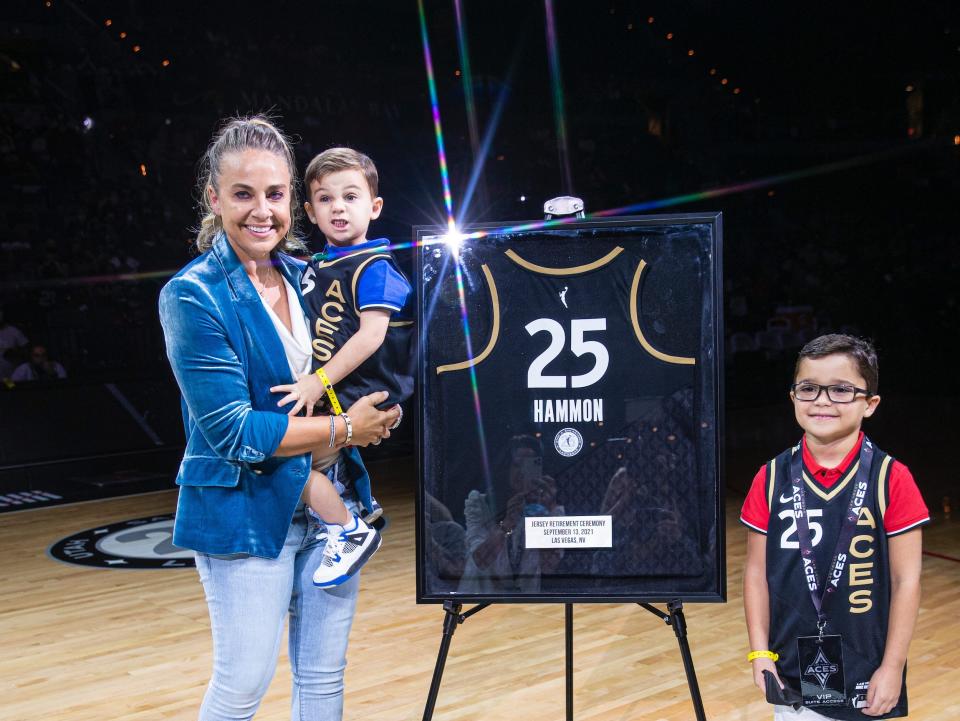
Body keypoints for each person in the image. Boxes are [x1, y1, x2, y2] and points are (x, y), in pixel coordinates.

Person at [158, 116, 399, 721]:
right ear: (214, 199)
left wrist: (382, 408)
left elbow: (360, 368)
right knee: (243, 685)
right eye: (243, 194)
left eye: (275, 193)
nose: (261, 211)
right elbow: (236, 433)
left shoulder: (309, 273)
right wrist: (346, 430)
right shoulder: (193, 295)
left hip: (331, 509)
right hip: (245, 514)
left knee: (322, 682)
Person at [741, 334, 929, 720]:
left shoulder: (891, 478)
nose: (823, 400)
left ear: (870, 404)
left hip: (870, 675)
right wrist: (760, 653)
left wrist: (893, 667)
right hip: (792, 672)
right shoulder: (771, 476)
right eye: (809, 388)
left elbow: (906, 580)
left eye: (841, 390)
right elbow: (756, 572)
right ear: (793, 396)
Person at [269, 147, 414, 588]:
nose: (339, 207)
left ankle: (349, 529)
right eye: (326, 199)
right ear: (310, 211)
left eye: (350, 197)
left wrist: (317, 381)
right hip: (335, 394)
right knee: (293, 458)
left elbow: (371, 336)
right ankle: (355, 508)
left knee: (284, 463)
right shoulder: (322, 263)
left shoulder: (377, 267)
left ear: (374, 207)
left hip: (360, 392)